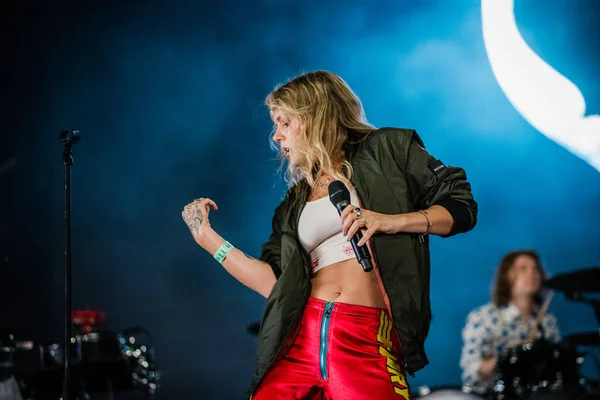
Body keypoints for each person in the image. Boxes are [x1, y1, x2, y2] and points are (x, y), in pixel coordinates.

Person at [182, 70, 478, 400]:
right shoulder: (293, 204)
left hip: (363, 334)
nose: (276, 137)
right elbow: (274, 284)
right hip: (298, 338)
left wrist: (391, 222)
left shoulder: (388, 149)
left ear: (313, 115)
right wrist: (207, 238)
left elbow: (461, 207)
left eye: (284, 122)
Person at [459, 249, 561, 395]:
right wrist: (507, 358)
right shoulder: (483, 317)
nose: (531, 273)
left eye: (535, 268)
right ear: (506, 276)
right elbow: (471, 371)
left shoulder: (548, 320)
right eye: (522, 269)